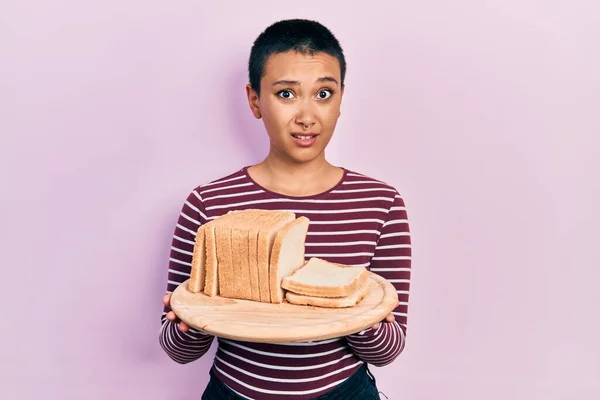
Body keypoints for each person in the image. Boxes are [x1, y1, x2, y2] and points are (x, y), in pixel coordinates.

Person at [159, 18, 412, 400]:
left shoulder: (381, 203)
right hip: (233, 392)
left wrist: (352, 307)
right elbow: (178, 351)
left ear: (342, 98)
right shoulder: (208, 203)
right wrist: (189, 322)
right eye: (286, 94)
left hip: (345, 392)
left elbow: (390, 350)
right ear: (254, 99)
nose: (307, 116)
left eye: (323, 94)